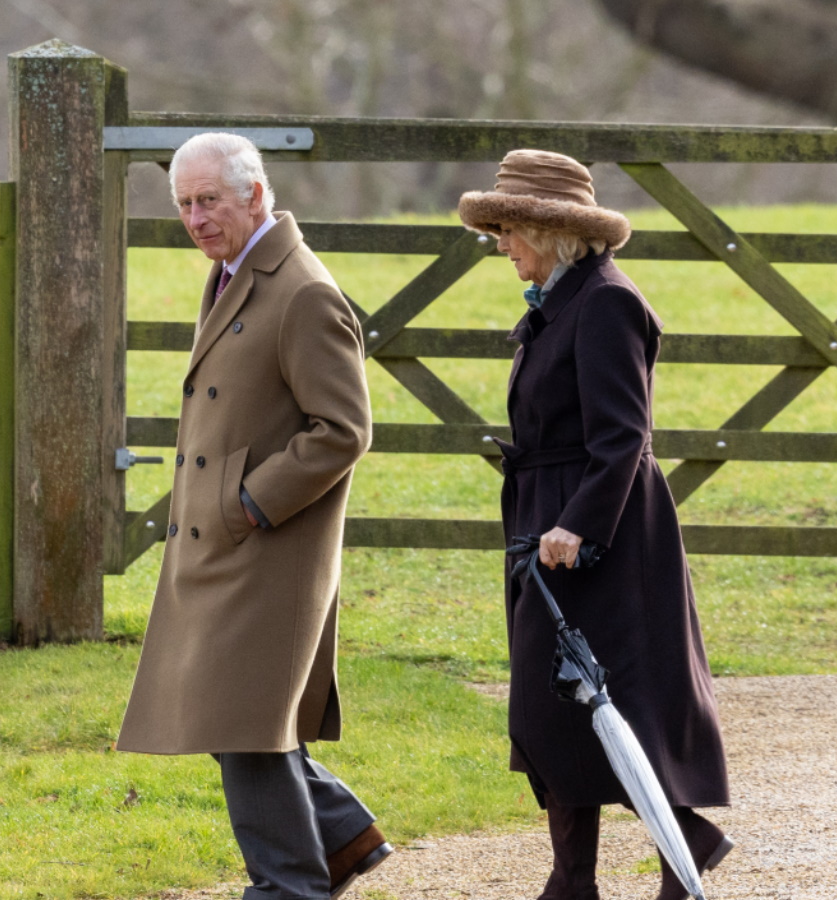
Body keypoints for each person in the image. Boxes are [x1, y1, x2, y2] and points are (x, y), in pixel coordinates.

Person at [117, 132, 392, 900]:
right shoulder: (235, 270)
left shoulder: (301, 291)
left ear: (255, 196)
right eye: (184, 205)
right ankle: (342, 839)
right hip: (221, 547)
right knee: (229, 711)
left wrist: (249, 503)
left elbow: (343, 429)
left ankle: (288, 886)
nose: (197, 218)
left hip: (266, 550)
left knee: (241, 719)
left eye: (209, 201)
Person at [457, 150, 732, 900]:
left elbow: (623, 436)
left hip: (599, 530)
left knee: (613, 700)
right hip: (548, 516)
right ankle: (575, 878)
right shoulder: (557, 298)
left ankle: (686, 844)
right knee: (552, 707)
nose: (501, 243)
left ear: (552, 230)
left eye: (509, 228)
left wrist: (579, 528)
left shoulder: (606, 301)